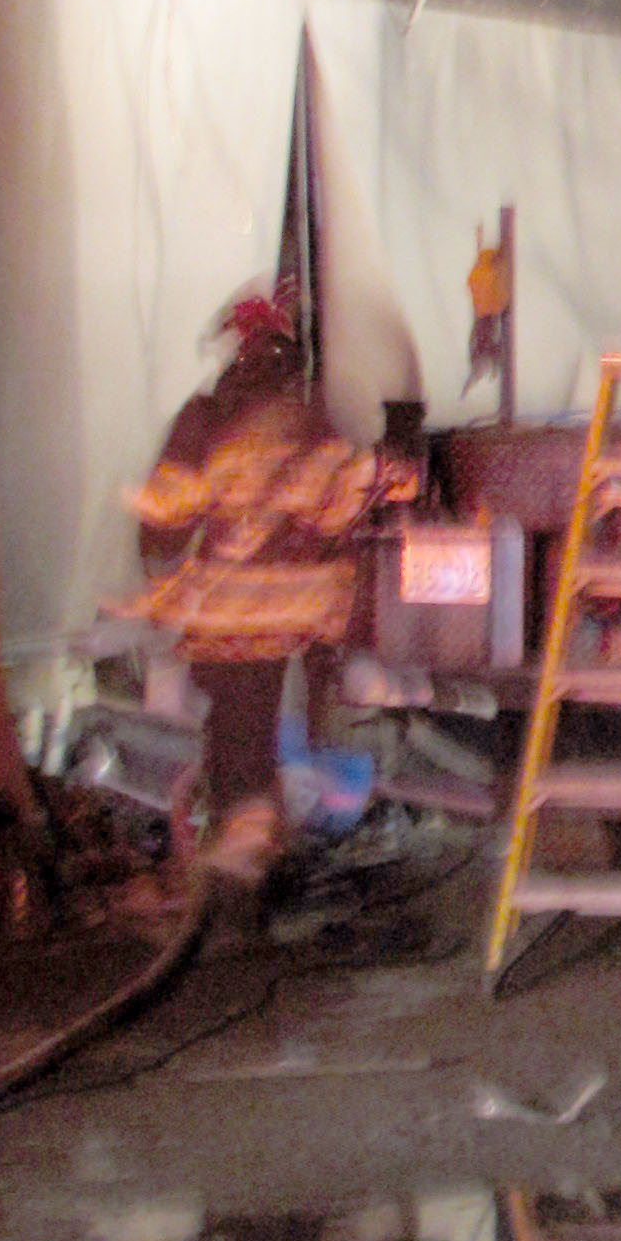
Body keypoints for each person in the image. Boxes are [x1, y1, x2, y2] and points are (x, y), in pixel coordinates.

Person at [130, 290, 417, 885]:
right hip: (308, 615)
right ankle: (281, 832)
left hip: (230, 622)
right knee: (302, 717)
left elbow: (165, 515)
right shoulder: (315, 421)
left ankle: (246, 845)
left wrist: (158, 583)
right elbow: (349, 507)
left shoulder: (203, 420)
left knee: (238, 736)